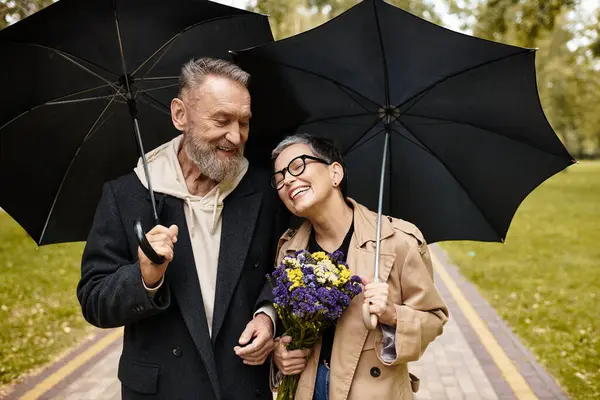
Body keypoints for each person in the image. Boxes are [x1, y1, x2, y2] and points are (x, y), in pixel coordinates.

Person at [77, 57, 287, 400]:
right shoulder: (126, 195)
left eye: (244, 123)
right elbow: (93, 300)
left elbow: (283, 272)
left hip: (242, 386)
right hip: (161, 390)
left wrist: (267, 318)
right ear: (180, 115)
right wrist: (145, 278)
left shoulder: (264, 190)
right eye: (222, 120)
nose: (235, 136)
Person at [269, 133, 449, 400]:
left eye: (297, 166)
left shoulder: (397, 241)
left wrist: (393, 315)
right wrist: (279, 352)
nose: (289, 181)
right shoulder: (289, 250)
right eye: (280, 178)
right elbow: (285, 327)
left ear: (335, 173)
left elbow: (433, 319)